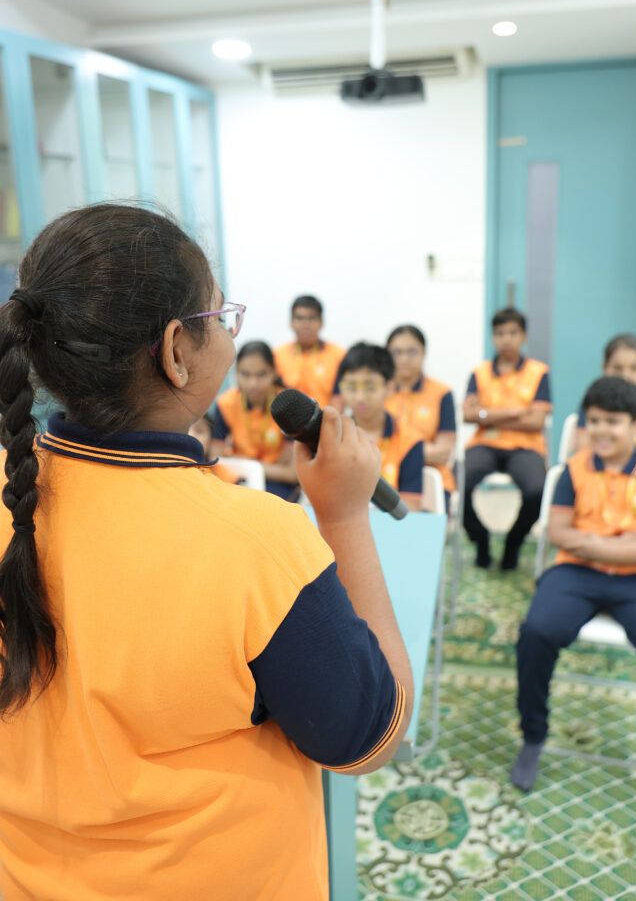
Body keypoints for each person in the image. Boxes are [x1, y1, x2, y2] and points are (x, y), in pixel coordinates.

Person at [0, 204, 413, 901]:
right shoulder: (255, 542)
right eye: (219, 316)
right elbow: (370, 736)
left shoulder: (14, 495)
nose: (228, 330)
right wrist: (344, 516)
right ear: (176, 351)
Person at [512, 376, 636, 821]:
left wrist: (595, 544)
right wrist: (626, 542)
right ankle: (533, 736)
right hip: (575, 572)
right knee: (536, 633)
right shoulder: (573, 469)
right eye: (594, 420)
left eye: (613, 421)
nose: (602, 430)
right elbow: (559, 532)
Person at [462, 307, 552, 570]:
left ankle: (514, 543)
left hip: (526, 446)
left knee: (537, 490)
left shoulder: (539, 373)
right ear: (493, 337)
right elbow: (468, 415)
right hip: (485, 444)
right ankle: (480, 539)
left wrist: (487, 414)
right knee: (460, 481)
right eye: (500, 333)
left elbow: (536, 421)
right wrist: (514, 412)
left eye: (513, 333)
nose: (506, 339)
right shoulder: (479, 373)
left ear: (523, 336)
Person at [338, 342, 424, 512]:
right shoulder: (333, 437)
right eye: (351, 387)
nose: (360, 397)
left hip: (390, 524)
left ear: (390, 387)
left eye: (370, 387)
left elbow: (410, 507)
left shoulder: (410, 441)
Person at [211, 340, 299, 499]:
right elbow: (215, 460)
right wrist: (249, 469)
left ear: (274, 372)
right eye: (245, 374)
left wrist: (246, 465)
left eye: (261, 374)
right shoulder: (226, 404)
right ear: (236, 373)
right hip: (241, 477)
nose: (253, 383)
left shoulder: (287, 404)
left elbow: (292, 474)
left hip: (277, 483)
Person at [574, 333, 636, 468]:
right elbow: (582, 455)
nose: (626, 376)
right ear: (605, 368)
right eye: (617, 368)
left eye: (635, 368)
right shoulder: (593, 404)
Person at [385, 325, 456, 505]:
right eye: (397, 352)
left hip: (431, 478)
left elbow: (443, 452)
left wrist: (393, 453)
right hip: (384, 477)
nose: (404, 358)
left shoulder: (441, 393)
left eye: (412, 352)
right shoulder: (379, 392)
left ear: (424, 353)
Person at [274, 295, 345, 407]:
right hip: (285, 417)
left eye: (311, 318)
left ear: (321, 322)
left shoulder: (338, 355)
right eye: (299, 318)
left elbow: (339, 396)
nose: (305, 324)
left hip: (326, 416)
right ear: (291, 322)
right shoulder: (277, 356)